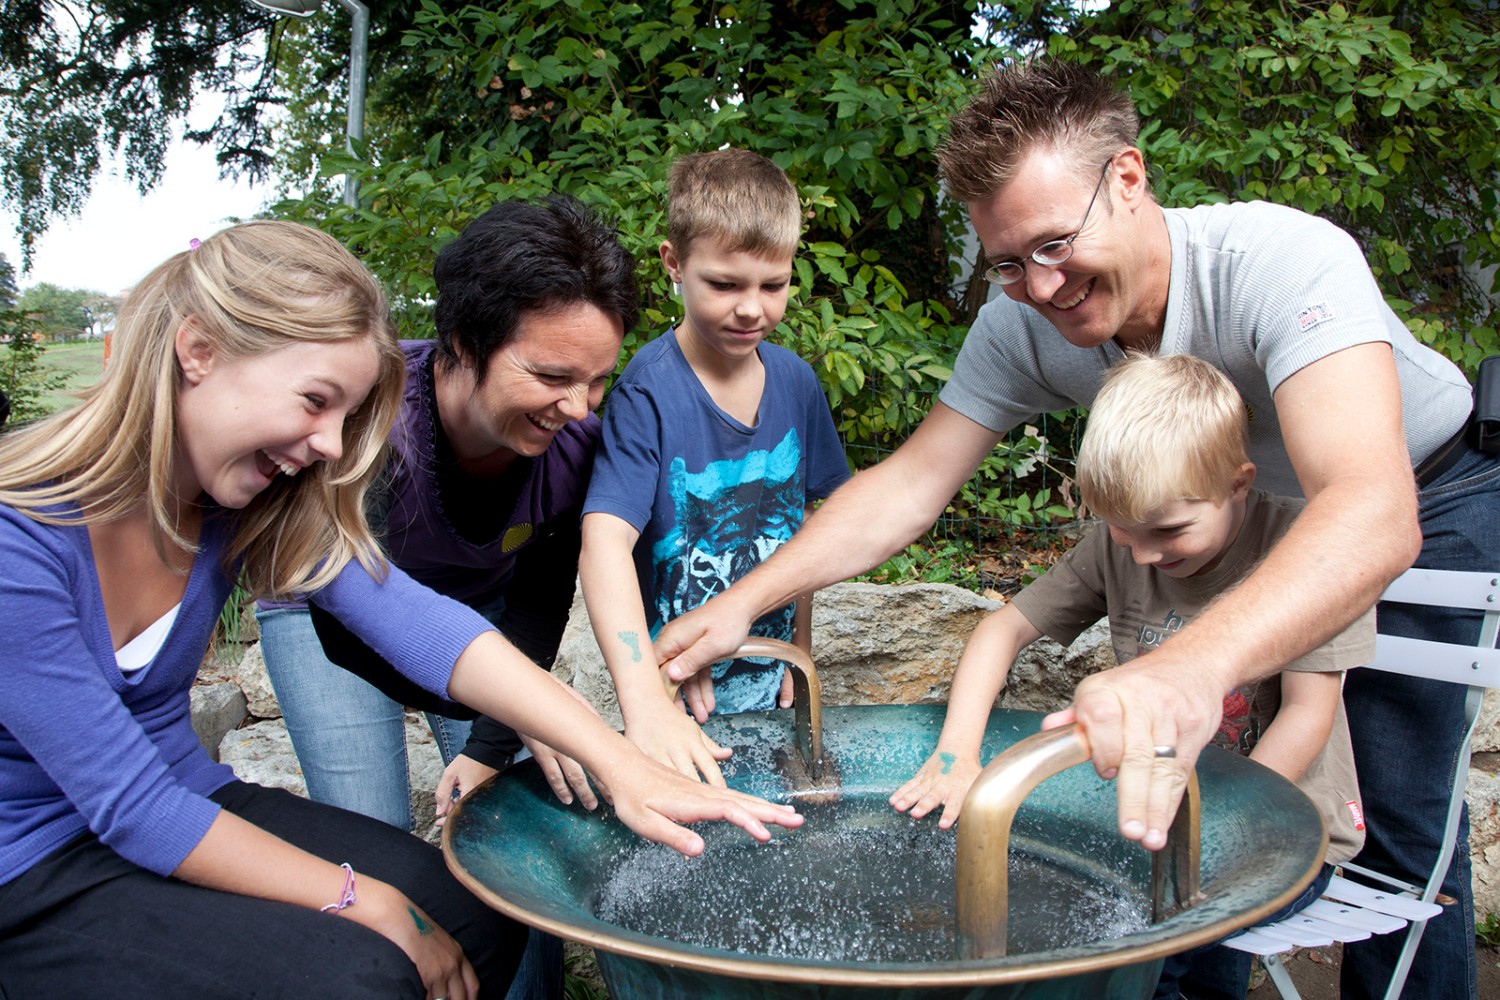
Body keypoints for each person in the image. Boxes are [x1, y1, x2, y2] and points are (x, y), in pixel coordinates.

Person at [650, 58, 1498, 999]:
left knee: (1397, 821)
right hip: (1218, 529)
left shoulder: (1279, 265)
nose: (1042, 288)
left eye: (1054, 245)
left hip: (1422, 489)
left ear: (1129, 179)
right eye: (1008, 263)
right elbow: (909, 488)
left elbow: (1372, 512)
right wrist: (747, 603)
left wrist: (1185, 668)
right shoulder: (1023, 325)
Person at [0, 221, 802, 1000]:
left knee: (474, 905)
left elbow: (420, 623)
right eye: (315, 403)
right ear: (199, 351)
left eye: (343, 417)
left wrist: (623, 762)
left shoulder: (229, 503)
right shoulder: (19, 544)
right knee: (365, 966)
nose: (328, 444)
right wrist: (366, 900)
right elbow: (128, 805)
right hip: (34, 865)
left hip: (184, 795)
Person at [891, 353, 1371, 1000]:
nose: (1145, 555)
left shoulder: (1303, 551)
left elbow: (1307, 716)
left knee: (1170, 923)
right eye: (1122, 530)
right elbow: (999, 631)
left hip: (1282, 826)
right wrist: (956, 751)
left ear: (1238, 483)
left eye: (1169, 530)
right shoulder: (1121, 545)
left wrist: (1209, 824)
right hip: (1150, 820)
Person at [254, 194, 634, 999]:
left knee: (519, 815)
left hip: (481, 607)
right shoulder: (368, 430)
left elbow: (536, 604)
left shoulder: (576, 447)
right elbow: (363, 633)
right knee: (370, 833)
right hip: (326, 611)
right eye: (552, 375)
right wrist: (520, 714)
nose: (579, 408)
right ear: (463, 345)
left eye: (599, 379)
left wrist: (493, 744)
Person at [580, 149, 850, 783]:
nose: (751, 308)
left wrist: (799, 650)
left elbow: (815, 529)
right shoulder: (647, 393)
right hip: (680, 692)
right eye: (725, 284)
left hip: (773, 673)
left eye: (773, 285)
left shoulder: (797, 384)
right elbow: (603, 541)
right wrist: (644, 686)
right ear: (674, 263)